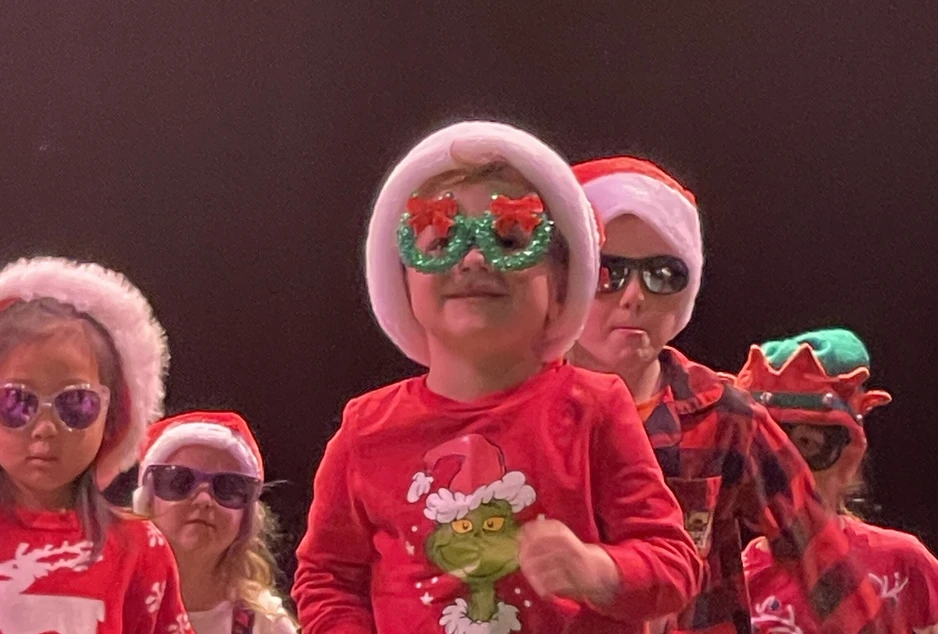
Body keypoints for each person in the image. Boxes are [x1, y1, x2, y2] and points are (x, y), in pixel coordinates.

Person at [292, 121, 703, 634]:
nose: (472, 257)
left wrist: (597, 570)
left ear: (562, 288)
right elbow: (328, 577)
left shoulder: (594, 409)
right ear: (401, 280)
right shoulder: (365, 430)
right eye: (441, 238)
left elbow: (674, 561)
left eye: (510, 240)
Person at [570, 156, 884, 633]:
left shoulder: (725, 416)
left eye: (663, 274)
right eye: (607, 272)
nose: (634, 296)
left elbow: (820, 555)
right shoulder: (518, 408)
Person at [0, 256, 190, 632]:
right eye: (17, 401)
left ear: (112, 415)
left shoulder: (139, 548)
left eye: (75, 404)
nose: (45, 429)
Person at [735, 328, 938, 633]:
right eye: (766, 452)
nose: (787, 471)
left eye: (808, 445)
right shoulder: (736, 584)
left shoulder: (903, 563)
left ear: (848, 457)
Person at [134, 409, 298, 634]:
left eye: (228, 487)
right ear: (146, 502)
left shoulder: (265, 623)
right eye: (180, 481)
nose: (203, 500)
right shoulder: (104, 599)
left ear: (247, 518)